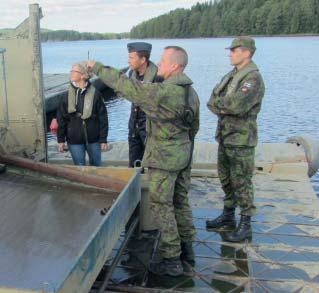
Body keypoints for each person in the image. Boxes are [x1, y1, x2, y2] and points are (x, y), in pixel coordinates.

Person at [85, 45, 200, 277]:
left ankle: (172, 260)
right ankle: (187, 251)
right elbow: (194, 128)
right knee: (180, 203)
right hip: (182, 155)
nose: (160, 62)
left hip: (163, 159)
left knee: (162, 206)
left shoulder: (164, 92)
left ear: (175, 65)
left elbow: (126, 85)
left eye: (164, 60)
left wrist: (96, 67)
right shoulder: (191, 92)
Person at [206, 36, 265, 242]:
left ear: (246, 52)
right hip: (226, 136)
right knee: (226, 178)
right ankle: (228, 215)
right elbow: (212, 101)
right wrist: (223, 105)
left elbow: (236, 105)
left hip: (241, 139)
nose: (230, 53)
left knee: (242, 181)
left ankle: (246, 224)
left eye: (234, 50)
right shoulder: (233, 75)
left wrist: (223, 105)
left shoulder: (253, 78)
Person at [56, 62, 108, 166]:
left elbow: (103, 118)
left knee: (96, 166)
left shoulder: (96, 94)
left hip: (94, 139)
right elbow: (61, 119)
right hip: (74, 139)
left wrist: (103, 140)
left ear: (83, 75)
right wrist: (61, 140)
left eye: (74, 71)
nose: (70, 73)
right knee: (80, 167)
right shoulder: (65, 96)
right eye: (71, 70)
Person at [125, 42, 159, 168]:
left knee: (153, 164)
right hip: (134, 125)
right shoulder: (131, 74)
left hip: (151, 128)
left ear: (143, 59)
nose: (128, 61)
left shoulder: (158, 77)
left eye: (131, 58)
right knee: (133, 164)